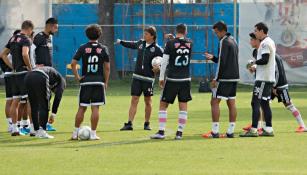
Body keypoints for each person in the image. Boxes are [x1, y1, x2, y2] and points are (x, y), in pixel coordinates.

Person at [244, 32, 307, 133]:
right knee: (263, 103)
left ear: (257, 41)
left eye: (252, 39)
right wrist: (254, 68)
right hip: (270, 83)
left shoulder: (270, 53)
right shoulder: (256, 52)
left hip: (279, 85)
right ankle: (260, 126)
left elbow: (275, 70)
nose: (250, 41)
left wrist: (274, 86)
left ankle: (303, 126)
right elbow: (263, 67)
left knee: (288, 104)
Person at [150, 23, 193, 140]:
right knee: (183, 105)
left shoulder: (170, 43)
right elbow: (180, 44)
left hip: (173, 79)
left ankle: (161, 131)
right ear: (186, 31)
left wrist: (161, 78)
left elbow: (164, 62)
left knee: (163, 105)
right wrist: (173, 39)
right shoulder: (190, 43)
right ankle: (179, 133)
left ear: (176, 30)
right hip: (185, 79)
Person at [116, 26, 163, 131]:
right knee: (134, 99)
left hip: (148, 79)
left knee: (148, 101)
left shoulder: (158, 49)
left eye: (146, 34)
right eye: (144, 33)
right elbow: (131, 44)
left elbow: (165, 61)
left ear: (152, 36)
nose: (144, 35)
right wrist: (121, 42)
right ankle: (129, 123)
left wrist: (158, 68)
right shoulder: (141, 43)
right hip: (137, 77)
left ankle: (147, 124)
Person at [71, 24, 110, 140]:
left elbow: (73, 64)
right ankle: (93, 134)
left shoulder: (82, 48)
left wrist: (78, 77)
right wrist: (106, 82)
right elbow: (107, 68)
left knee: (82, 108)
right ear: (100, 34)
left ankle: (75, 134)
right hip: (98, 82)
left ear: (87, 35)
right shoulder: (103, 48)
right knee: (95, 108)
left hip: (86, 81)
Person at [202, 21, 239, 138]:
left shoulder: (223, 41)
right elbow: (225, 60)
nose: (216, 34)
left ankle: (215, 131)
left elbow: (222, 63)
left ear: (222, 30)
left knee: (214, 101)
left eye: (216, 32)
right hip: (234, 77)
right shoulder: (233, 40)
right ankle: (230, 131)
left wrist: (216, 79)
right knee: (231, 102)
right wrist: (213, 58)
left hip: (224, 77)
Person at [240, 22, 276, 137]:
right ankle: (268, 129)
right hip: (268, 78)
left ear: (261, 31)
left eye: (256, 30)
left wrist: (254, 62)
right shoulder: (269, 41)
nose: (255, 33)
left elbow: (265, 60)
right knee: (265, 103)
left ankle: (254, 130)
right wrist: (255, 66)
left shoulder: (265, 43)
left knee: (255, 102)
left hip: (263, 79)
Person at [0, 20, 34, 136]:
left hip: (14, 74)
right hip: (24, 73)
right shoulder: (26, 39)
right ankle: (33, 129)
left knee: (15, 100)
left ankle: (14, 128)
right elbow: (25, 54)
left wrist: (12, 66)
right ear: (29, 29)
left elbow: (3, 54)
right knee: (30, 100)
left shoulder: (13, 38)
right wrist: (30, 68)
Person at [24, 66, 66, 139]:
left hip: (28, 76)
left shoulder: (52, 78)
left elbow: (49, 95)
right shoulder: (62, 82)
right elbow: (58, 97)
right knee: (45, 105)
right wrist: (53, 114)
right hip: (40, 75)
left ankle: (35, 130)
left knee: (34, 105)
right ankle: (42, 131)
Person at [33, 17, 59, 131]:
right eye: (55, 27)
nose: (56, 30)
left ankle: (44, 123)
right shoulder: (39, 37)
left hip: (49, 72)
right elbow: (30, 51)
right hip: (40, 73)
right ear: (49, 26)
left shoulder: (49, 38)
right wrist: (34, 66)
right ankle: (37, 124)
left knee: (48, 97)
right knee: (42, 99)